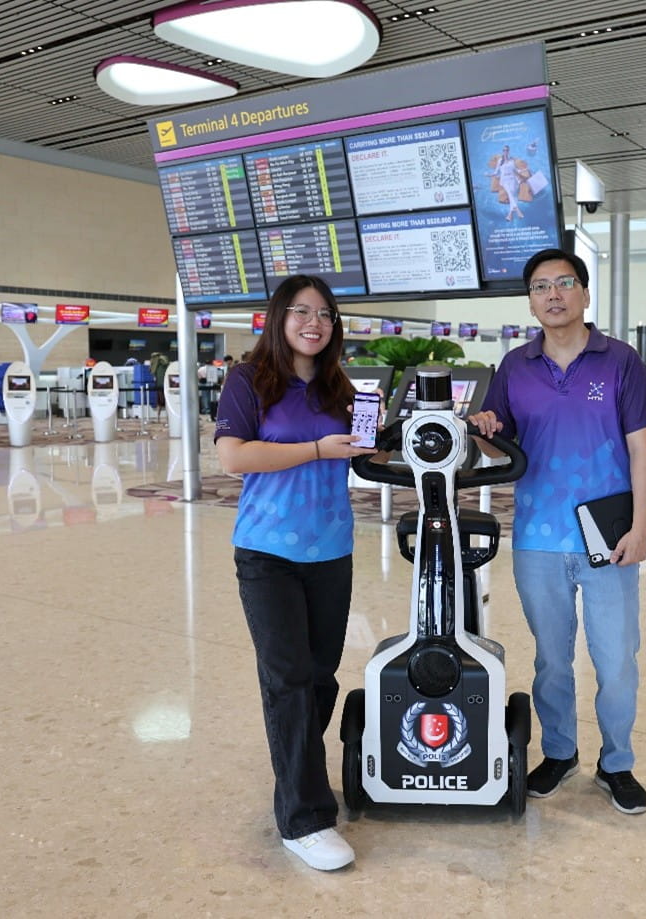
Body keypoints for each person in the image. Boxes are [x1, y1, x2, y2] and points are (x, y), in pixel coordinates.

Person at [469, 248, 646, 815]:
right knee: (551, 659)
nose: (552, 294)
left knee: (615, 658)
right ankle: (559, 752)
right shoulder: (513, 366)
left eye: (563, 283)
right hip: (537, 535)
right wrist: (485, 428)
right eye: (540, 286)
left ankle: (617, 762)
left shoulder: (620, 361)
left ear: (583, 293)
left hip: (608, 538)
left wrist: (638, 527)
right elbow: (500, 447)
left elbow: (642, 447)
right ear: (530, 301)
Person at [213, 275, 378, 871]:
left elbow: (361, 448)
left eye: (326, 314)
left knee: (320, 679)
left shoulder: (342, 389)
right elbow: (233, 457)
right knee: (286, 679)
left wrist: (383, 445)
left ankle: (296, 775)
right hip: (267, 555)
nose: (315, 322)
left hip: (330, 550)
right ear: (278, 318)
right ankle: (305, 819)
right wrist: (316, 450)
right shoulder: (249, 380)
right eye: (302, 311)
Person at [490, 145, 524, 222]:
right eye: (504, 150)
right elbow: (496, 171)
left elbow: (515, 170)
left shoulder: (512, 160)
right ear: (502, 151)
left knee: (513, 196)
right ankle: (518, 211)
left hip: (513, 179)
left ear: (509, 151)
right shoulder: (500, 161)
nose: (505, 151)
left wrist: (521, 171)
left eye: (507, 150)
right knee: (510, 194)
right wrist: (490, 175)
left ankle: (510, 215)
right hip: (505, 180)